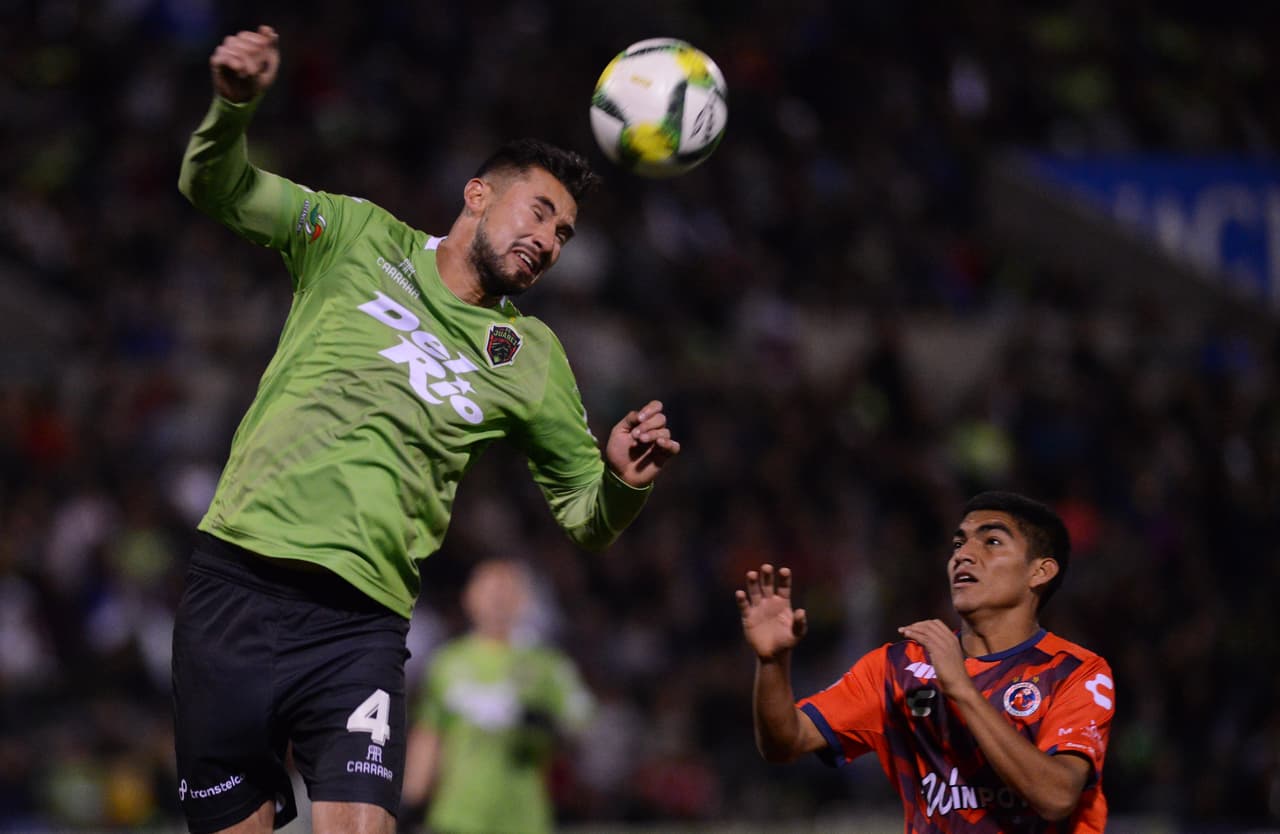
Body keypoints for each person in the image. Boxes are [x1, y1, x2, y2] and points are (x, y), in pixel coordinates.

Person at [171, 25, 680, 834]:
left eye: (564, 233)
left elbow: (587, 515)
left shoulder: (531, 357)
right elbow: (216, 187)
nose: (548, 240)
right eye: (539, 211)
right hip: (237, 587)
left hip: (359, 628)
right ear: (478, 194)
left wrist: (622, 481)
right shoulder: (353, 236)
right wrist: (232, 109)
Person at [737, 491, 1115, 832]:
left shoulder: (1075, 671)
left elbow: (1056, 797)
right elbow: (785, 743)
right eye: (959, 543)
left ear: (1039, 571)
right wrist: (772, 664)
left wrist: (961, 688)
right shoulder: (897, 668)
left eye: (992, 542)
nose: (963, 555)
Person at [400, 559, 592, 834]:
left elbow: (581, 725)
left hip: (523, 818)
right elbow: (429, 735)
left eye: (506, 591)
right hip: (456, 816)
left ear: (523, 601)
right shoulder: (447, 662)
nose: (497, 601)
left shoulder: (547, 665)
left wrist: (540, 721)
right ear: (469, 598)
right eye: (490, 591)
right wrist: (411, 801)